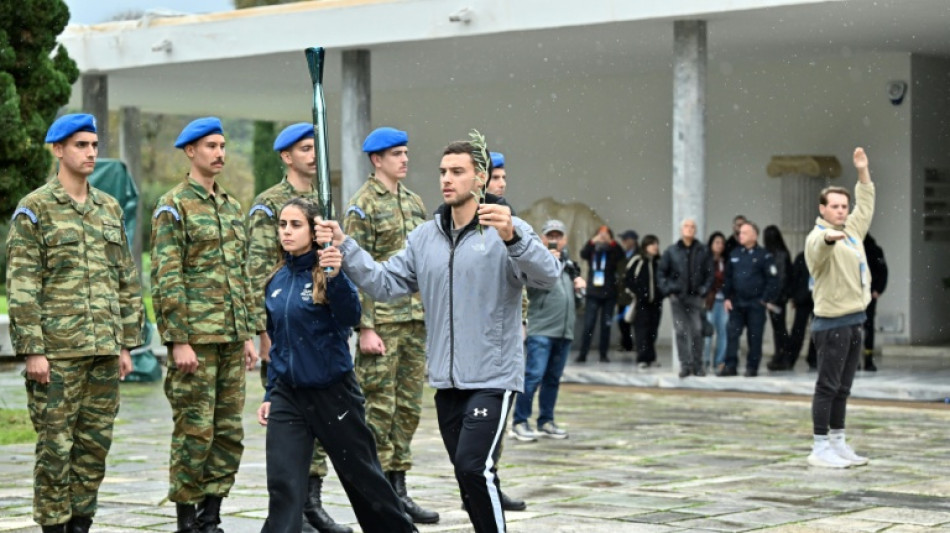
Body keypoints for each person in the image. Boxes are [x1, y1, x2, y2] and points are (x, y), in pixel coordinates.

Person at [315, 138, 561, 533]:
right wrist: (347, 247)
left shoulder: (505, 231)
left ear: (480, 178)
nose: (446, 179)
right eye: (443, 171)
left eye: (457, 171)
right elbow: (384, 283)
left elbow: (548, 276)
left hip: (492, 377)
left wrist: (514, 237)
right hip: (446, 382)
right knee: (469, 480)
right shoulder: (424, 237)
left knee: (472, 468)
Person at [5, 114, 144, 533]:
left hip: (103, 350)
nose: (90, 153)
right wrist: (33, 350)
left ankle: (80, 524)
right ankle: (53, 526)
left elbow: (125, 277)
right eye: (81, 145)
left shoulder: (109, 207)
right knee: (55, 450)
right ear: (57, 149)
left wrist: (125, 343)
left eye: (94, 145)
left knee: (94, 448)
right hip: (57, 355)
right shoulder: (36, 208)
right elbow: (23, 283)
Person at [257, 198, 415, 533]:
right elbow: (278, 344)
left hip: (333, 393)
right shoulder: (276, 280)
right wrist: (271, 393)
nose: (286, 231)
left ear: (314, 232)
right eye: (282, 224)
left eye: (295, 225)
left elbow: (350, 316)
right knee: (283, 485)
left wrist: (336, 276)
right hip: (288, 395)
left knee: (363, 478)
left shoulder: (327, 274)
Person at [151, 117, 259, 533]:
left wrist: (248, 333)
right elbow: (167, 276)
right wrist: (178, 341)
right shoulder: (173, 206)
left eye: (222, 145)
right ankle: (186, 519)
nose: (219, 153)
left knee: (229, 431)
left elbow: (242, 274)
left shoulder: (231, 207)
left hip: (231, 338)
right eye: (210, 146)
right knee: (195, 432)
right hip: (196, 341)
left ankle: (212, 516)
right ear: (190, 151)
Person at [244, 124, 348, 533]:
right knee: (289, 425)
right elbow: (257, 271)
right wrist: (263, 332)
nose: (313, 155)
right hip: (285, 329)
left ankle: (312, 503)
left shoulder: (323, 201)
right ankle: (294, 508)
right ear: (286, 157)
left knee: (322, 422)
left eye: (315, 147)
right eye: (306, 149)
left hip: (320, 330)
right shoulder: (268, 205)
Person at [342, 126, 438, 525]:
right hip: (381, 323)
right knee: (379, 410)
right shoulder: (362, 204)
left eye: (406, 152)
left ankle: (399, 489)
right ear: (376, 160)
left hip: (413, 319)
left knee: (408, 409)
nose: (405, 159)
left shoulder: (414, 202)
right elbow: (353, 268)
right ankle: (379, 494)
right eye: (396, 153)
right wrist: (364, 327)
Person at [805, 147, 875, 469]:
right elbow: (818, 252)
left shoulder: (852, 232)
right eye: (834, 206)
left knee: (843, 387)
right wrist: (829, 238)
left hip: (855, 318)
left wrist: (862, 172)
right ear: (823, 208)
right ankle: (819, 446)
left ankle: (838, 441)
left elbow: (867, 205)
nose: (841, 211)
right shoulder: (817, 236)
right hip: (831, 323)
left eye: (844, 206)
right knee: (828, 385)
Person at [511, 219, 585, 442]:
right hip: (541, 329)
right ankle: (519, 422)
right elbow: (529, 291)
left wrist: (580, 289)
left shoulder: (571, 266)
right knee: (533, 376)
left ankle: (546, 421)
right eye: (550, 236)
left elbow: (577, 303)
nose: (554, 240)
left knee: (553, 379)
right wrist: (546, 266)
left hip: (564, 332)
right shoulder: (535, 261)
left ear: (565, 240)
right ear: (542, 239)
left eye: (558, 236)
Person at [719, 221, 779, 377]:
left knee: (755, 336)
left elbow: (772, 279)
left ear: (754, 235)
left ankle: (752, 367)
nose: (741, 236)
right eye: (740, 233)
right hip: (737, 303)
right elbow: (728, 278)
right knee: (732, 334)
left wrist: (765, 299)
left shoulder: (764, 255)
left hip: (756, 303)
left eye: (745, 233)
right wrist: (727, 297)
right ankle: (730, 365)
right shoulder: (735, 254)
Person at [657, 218, 713, 378]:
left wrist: (703, 290)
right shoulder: (672, 251)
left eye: (692, 227)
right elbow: (661, 273)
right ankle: (685, 365)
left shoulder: (702, 250)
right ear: (681, 230)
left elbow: (709, 274)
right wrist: (669, 290)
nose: (689, 229)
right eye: (686, 226)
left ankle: (698, 365)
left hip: (695, 297)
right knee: (681, 331)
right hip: (677, 298)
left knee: (697, 330)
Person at [576, 226, 624, 363]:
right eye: (600, 234)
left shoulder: (612, 250)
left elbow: (621, 255)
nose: (603, 237)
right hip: (593, 293)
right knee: (589, 324)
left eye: (606, 234)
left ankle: (603, 354)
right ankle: (583, 354)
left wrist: (611, 242)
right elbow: (583, 253)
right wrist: (593, 241)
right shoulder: (593, 249)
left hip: (609, 293)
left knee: (606, 325)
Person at [625, 235, 663, 369]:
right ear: (645, 246)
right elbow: (628, 279)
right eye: (652, 244)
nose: (655, 247)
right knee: (642, 331)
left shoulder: (659, 262)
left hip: (656, 303)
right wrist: (638, 294)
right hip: (642, 303)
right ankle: (642, 358)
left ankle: (651, 357)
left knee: (653, 330)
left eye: (656, 244)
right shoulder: (638, 260)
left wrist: (662, 294)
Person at [779, 251, 818, 371]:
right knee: (798, 330)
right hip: (803, 298)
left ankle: (814, 358)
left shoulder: (826, 256)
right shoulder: (802, 257)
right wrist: (793, 297)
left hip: (819, 298)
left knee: (817, 330)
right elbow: (794, 277)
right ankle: (790, 359)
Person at [763, 225, 793, 373]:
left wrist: (772, 297)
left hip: (776, 298)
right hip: (779, 297)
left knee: (779, 328)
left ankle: (782, 355)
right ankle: (782, 354)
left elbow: (779, 277)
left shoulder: (776, 254)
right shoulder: (781, 253)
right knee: (779, 328)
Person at [861, 233, 888, 371]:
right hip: (860, 292)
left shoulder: (873, 250)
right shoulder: (854, 248)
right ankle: (864, 360)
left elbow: (882, 271)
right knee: (864, 327)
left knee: (865, 326)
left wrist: (877, 289)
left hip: (866, 293)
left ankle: (867, 359)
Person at [703, 232, 728, 372]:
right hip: (709, 301)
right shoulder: (706, 261)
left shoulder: (725, 261)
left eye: (722, 243)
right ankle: (705, 360)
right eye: (717, 242)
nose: (720, 245)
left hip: (722, 300)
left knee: (723, 332)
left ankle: (719, 361)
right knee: (707, 332)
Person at [615, 230, 639, 354]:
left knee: (636, 321)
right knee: (622, 322)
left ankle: (638, 344)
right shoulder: (621, 255)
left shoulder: (639, 255)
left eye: (626, 239)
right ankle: (626, 344)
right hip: (622, 295)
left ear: (632, 240)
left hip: (635, 295)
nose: (623, 242)